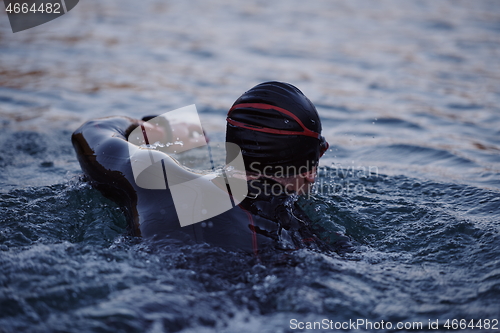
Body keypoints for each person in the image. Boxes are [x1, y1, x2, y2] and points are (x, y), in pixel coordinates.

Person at [72, 81, 351, 255]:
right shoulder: (304, 233)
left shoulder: (164, 180)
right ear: (310, 167)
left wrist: (165, 131)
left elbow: (93, 131)